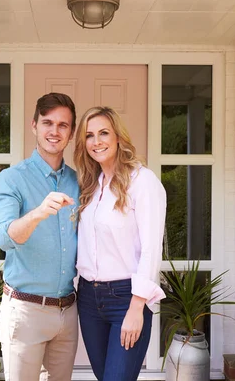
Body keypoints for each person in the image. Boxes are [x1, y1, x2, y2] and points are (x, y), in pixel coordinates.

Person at [73, 106, 167, 381]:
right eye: (89, 136)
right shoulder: (92, 186)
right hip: (89, 299)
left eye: (103, 133)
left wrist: (137, 307)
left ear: (118, 137)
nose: (96, 141)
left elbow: (151, 249)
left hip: (126, 297)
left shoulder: (143, 181)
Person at [0, 92, 79, 381]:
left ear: (71, 132)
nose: (54, 131)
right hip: (26, 311)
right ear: (34, 126)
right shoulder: (12, 178)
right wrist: (39, 212)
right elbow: (4, 237)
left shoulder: (78, 181)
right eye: (47, 123)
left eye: (63, 125)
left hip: (67, 311)